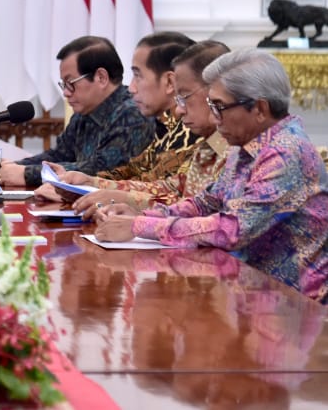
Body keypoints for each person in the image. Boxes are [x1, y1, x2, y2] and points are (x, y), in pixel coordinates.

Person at [96, 49, 328, 303]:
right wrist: (143, 217)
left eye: (219, 107)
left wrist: (138, 227)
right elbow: (205, 203)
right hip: (251, 295)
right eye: (211, 106)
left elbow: (232, 229)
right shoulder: (247, 145)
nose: (215, 119)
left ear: (260, 108)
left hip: (297, 311)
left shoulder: (285, 153)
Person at [62, 41, 232, 218]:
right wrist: (93, 183)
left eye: (184, 97)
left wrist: (131, 210)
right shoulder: (207, 144)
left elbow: (207, 216)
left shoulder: (234, 150)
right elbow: (171, 187)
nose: (180, 109)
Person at [35, 33, 200, 201]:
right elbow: (136, 174)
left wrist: (94, 190)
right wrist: (87, 183)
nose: (131, 88)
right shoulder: (166, 126)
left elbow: (178, 200)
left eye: (138, 76)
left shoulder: (191, 132)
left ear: (170, 83)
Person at [0, 36, 156, 188]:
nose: (66, 93)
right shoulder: (83, 113)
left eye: (70, 83)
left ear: (101, 78)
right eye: (63, 85)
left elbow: (105, 170)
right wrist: (16, 166)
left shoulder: (132, 113)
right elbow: (58, 155)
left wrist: (27, 174)